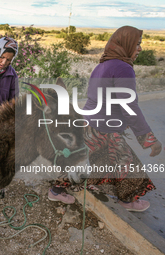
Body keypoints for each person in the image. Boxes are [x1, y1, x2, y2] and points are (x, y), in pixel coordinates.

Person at [48, 26, 162, 212]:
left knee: (85, 160)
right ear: (126, 44)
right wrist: (148, 138)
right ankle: (127, 201)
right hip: (105, 129)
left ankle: (56, 190)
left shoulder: (102, 65)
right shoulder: (123, 68)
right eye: (137, 44)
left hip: (89, 123)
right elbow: (129, 106)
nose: (139, 48)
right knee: (128, 165)